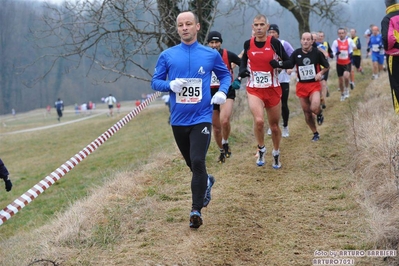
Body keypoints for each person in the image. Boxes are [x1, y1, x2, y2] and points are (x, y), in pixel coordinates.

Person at [151, 11, 231, 229]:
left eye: (188, 24)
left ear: (197, 27)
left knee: (198, 161)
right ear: (177, 29)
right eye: (180, 25)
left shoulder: (210, 54)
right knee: (191, 164)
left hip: (202, 116)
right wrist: (169, 85)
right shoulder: (167, 55)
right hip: (178, 119)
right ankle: (207, 182)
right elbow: (155, 82)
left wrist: (222, 92)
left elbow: (225, 76)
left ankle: (196, 210)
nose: (184, 27)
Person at [236, 14, 292, 168]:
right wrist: (242, 70)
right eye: (256, 25)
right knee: (259, 121)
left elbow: (289, 62)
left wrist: (278, 63)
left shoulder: (274, 43)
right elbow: (243, 61)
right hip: (254, 89)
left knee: (274, 126)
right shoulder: (248, 43)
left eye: (262, 25)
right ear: (252, 27)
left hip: (273, 89)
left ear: (267, 27)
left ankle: (276, 152)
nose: (259, 27)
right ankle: (261, 148)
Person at [207, 31, 241, 163]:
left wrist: (238, 77)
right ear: (208, 43)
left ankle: (225, 142)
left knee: (225, 121)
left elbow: (243, 62)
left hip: (227, 91)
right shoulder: (203, 56)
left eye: (216, 42)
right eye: (212, 42)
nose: (214, 45)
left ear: (220, 42)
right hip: (210, 93)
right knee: (216, 127)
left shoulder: (228, 55)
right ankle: (222, 151)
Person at [289, 32, 330, 142]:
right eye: (304, 39)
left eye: (308, 39)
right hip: (301, 86)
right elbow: (289, 64)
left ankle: (319, 113)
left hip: (314, 85)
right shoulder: (296, 53)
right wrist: (284, 66)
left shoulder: (317, 53)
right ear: (301, 41)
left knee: (314, 107)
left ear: (312, 41)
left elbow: (327, 66)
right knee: (307, 113)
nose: (306, 41)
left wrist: (320, 73)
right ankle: (315, 133)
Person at [266, 24, 294, 138]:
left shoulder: (284, 44)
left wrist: (289, 68)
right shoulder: (265, 44)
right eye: (270, 32)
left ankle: (285, 126)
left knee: (283, 104)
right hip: (270, 79)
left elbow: (293, 57)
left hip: (283, 79)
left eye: (274, 32)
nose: (272, 34)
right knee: (270, 105)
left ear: (278, 34)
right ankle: (271, 125)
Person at [382, 0, 399, 113]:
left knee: (396, 83)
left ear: (386, 5)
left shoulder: (387, 19)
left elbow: (388, 40)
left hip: (395, 55)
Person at [331, 28, 356, 101]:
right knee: (341, 80)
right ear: (338, 34)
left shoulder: (349, 41)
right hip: (339, 63)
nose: (341, 35)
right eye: (340, 33)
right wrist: (336, 53)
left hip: (347, 62)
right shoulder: (335, 42)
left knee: (346, 76)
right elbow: (333, 52)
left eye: (342, 33)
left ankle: (347, 89)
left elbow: (352, 48)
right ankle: (342, 93)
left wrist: (351, 53)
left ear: (345, 34)